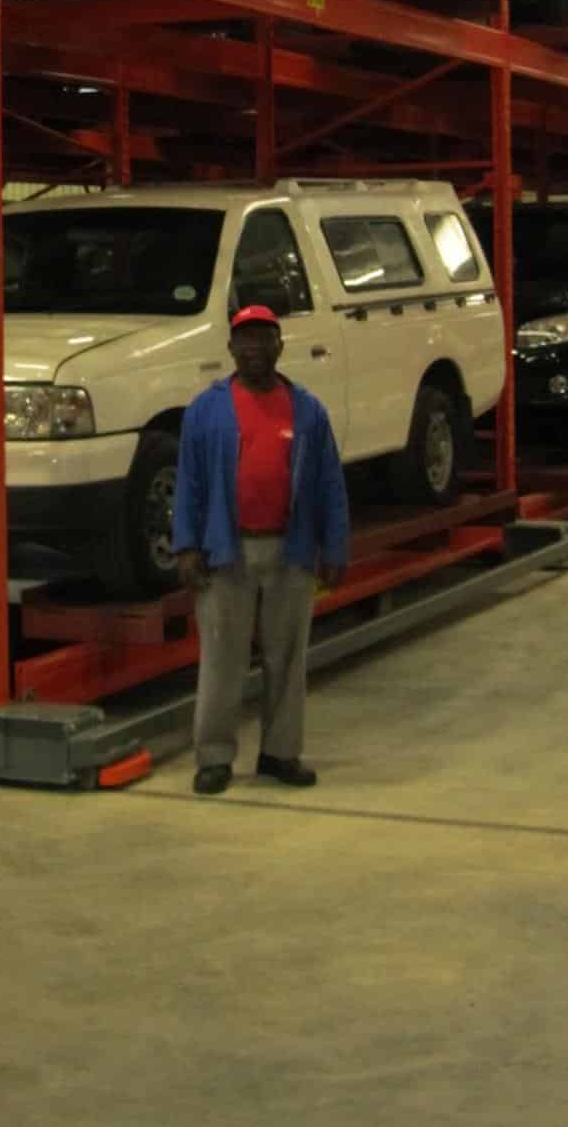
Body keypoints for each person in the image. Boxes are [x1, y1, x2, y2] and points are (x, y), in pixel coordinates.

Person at [172, 303, 350, 797]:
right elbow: (188, 482)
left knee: (288, 657)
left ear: (279, 345)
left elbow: (329, 482)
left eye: (263, 339)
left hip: (290, 552)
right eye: (244, 340)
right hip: (225, 553)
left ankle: (279, 753)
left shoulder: (308, 410)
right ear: (231, 348)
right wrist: (186, 545)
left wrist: (333, 546)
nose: (254, 349)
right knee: (222, 660)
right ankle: (214, 757)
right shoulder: (205, 410)